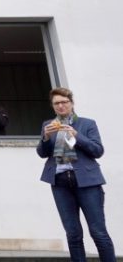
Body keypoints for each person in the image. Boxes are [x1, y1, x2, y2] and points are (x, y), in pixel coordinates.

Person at [37, 87, 116, 262]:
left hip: (87, 183)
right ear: (52, 106)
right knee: (73, 234)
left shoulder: (87, 124)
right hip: (60, 183)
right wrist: (45, 138)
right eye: (56, 103)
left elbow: (98, 150)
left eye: (64, 102)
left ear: (72, 103)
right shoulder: (48, 125)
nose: (61, 106)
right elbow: (42, 153)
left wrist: (76, 136)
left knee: (98, 232)